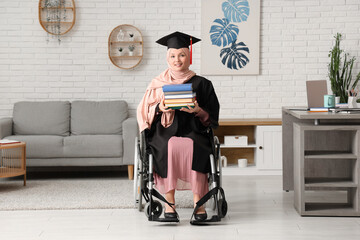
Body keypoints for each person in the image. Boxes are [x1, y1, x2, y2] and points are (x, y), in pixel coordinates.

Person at [137, 31, 220, 221]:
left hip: (194, 130)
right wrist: (160, 107)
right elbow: (145, 111)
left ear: (189, 56)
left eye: (182, 54)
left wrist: (198, 110)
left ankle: (199, 203)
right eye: (173, 56)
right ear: (168, 57)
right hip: (165, 131)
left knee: (195, 146)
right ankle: (169, 204)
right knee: (169, 146)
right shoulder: (157, 84)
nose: (177, 60)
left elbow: (211, 117)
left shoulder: (203, 83)